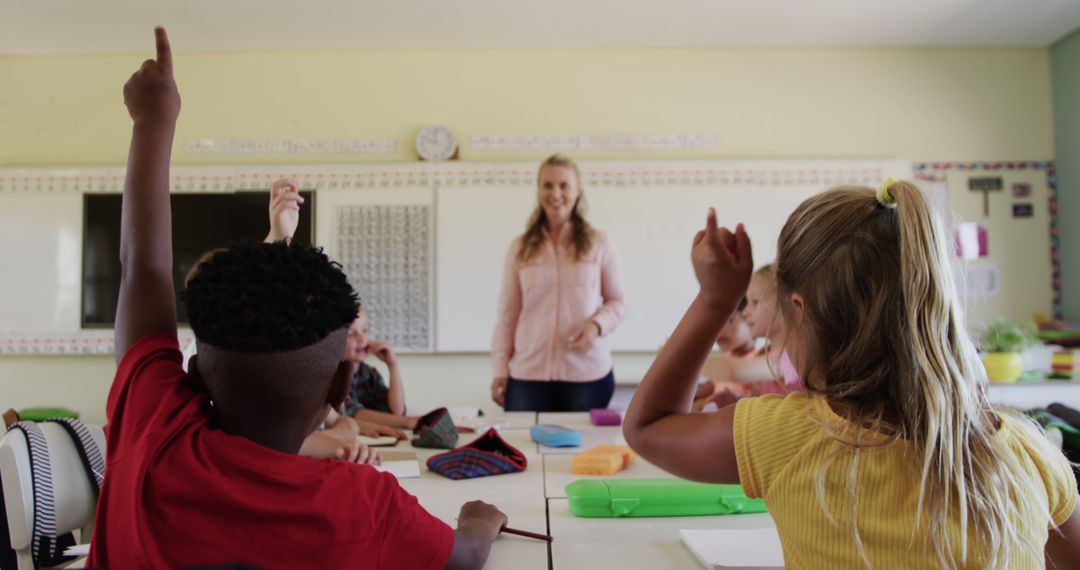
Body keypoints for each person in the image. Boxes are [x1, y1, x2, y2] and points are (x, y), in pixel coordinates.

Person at [88, 28, 506, 569]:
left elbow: (142, 267)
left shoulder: (154, 428)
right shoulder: (362, 505)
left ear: (193, 374)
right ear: (338, 385)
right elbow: (464, 559)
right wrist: (479, 518)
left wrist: (153, 119)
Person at [623, 181, 1080, 568]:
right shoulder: (1029, 454)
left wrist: (715, 299)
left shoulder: (788, 436)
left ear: (797, 310)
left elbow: (647, 427)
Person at [490, 154, 627, 411]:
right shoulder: (520, 247)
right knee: (524, 449)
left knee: (583, 451)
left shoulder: (600, 243)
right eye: (548, 185)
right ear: (539, 190)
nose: (555, 193)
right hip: (527, 375)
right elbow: (508, 312)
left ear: (578, 191)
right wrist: (500, 368)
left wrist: (596, 326)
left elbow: (619, 301)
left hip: (587, 373)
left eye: (564, 185)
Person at [341, 307, 421, 430]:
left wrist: (392, 365)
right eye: (350, 334)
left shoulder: (369, 373)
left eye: (365, 330)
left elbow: (397, 410)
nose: (362, 339)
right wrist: (408, 422)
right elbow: (355, 413)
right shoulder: (332, 378)